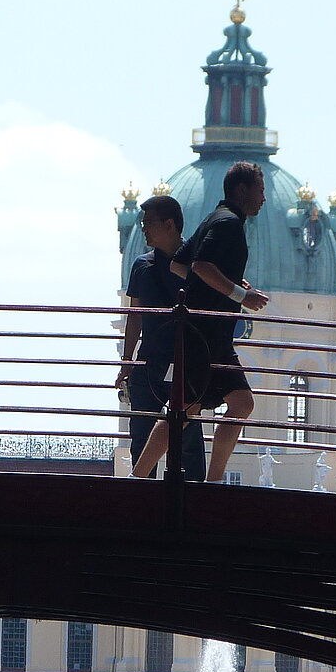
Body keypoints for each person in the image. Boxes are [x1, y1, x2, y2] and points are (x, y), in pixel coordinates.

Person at [131, 161, 270, 482]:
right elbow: (203, 266)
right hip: (206, 338)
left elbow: (181, 265)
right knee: (186, 412)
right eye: (260, 191)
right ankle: (145, 480)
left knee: (225, 406)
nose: (263, 198)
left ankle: (207, 480)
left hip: (208, 337)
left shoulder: (213, 218)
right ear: (242, 189)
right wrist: (240, 294)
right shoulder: (229, 224)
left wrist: (234, 281)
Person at [117, 193, 206, 478]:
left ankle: (190, 501)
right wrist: (127, 361)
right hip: (150, 365)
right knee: (142, 439)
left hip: (186, 365)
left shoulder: (198, 264)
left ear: (169, 224)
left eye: (148, 223)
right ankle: (145, 502)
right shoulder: (142, 265)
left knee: (189, 443)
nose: (143, 228)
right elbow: (135, 317)